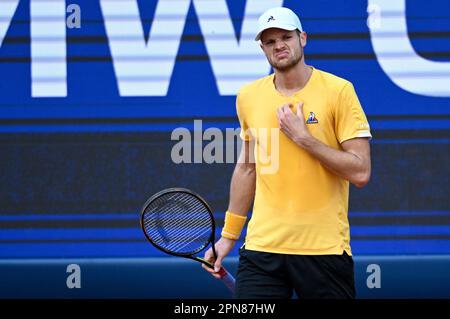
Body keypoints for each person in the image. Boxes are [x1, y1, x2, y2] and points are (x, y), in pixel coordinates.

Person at [202, 7, 372, 299]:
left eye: (285, 37)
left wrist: (305, 139)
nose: (279, 45)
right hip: (262, 251)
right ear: (262, 48)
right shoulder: (248, 97)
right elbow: (247, 168)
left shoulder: (339, 91)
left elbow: (360, 172)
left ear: (302, 38)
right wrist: (228, 237)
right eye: (269, 41)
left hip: (324, 250)